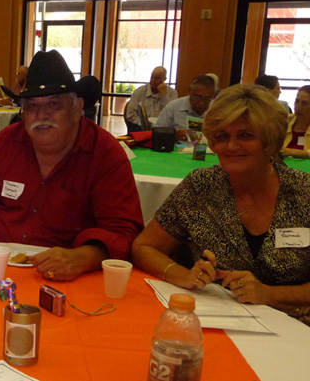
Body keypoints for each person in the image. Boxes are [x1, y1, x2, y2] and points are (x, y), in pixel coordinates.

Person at [0, 50, 143, 281]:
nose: (42, 115)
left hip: (76, 279)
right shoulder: (2, 145)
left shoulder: (105, 154)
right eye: (32, 107)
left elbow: (123, 232)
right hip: (4, 274)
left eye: (54, 104)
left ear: (76, 108)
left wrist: (83, 257)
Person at [132, 84, 310, 324]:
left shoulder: (304, 193)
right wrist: (183, 275)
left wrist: (268, 294)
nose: (231, 146)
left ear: (269, 140)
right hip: (218, 325)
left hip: (297, 327)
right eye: (222, 136)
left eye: (246, 135)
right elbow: (144, 247)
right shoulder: (201, 186)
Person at [124, 66, 178, 132]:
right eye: (152, 77)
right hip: (141, 126)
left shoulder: (172, 93)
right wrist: (146, 125)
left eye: (157, 78)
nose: (152, 80)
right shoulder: (139, 92)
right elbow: (130, 115)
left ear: (164, 79)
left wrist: (164, 95)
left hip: (162, 128)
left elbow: (172, 114)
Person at [282, 85, 310, 159]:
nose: (298, 107)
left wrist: (292, 152)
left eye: (304, 103)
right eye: (297, 101)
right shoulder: (284, 121)